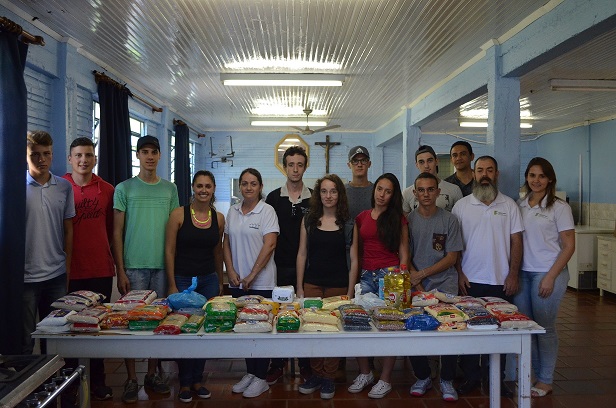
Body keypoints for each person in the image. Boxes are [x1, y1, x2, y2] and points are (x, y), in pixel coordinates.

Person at [113, 135, 179, 403]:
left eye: (154, 152)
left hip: (162, 266)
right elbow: (116, 232)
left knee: (158, 322)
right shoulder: (124, 188)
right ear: (138, 155)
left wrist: (173, 272)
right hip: (134, 267)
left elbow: (174, 231)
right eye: (145, 152)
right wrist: (120, 270)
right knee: (131, 323)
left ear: (160, 155)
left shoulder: (170, 189)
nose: (150, 156)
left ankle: (152, 374)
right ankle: (131, 378)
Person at [451, 155, 523, 397]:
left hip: (501, 281)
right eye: (480, 170)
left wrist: (513, 274)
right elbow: (455, 244)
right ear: (474, 174)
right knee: (470, 331)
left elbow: (516, 242)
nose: (484, 175)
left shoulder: (509, 205)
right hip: (469, 281)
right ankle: (471, 377)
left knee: (499, 334)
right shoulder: (462, 206)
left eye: (489, 170)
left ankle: (496, 380)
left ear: (496, 174)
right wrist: (459, 273)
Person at [513, 157, 575, 398]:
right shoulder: (520, 205)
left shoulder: (559, 207)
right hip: (523, 273)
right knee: (528, 328)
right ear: (527, 177)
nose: (536, 180)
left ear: (549, 179)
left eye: (541, 176)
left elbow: (569, 246)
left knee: (545, 328)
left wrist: (550, 277)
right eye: (532, 175)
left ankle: (546, 380)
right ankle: (533, 376)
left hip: (548, 272)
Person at [165, 170, 225, 403]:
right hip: (182, 280)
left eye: (208, 186)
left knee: (203, 331)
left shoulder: (219, 218)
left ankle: (198, 379)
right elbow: (169, 251)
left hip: (208, 280)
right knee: (185, 331)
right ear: (193, 187)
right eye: (199, 186)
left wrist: (219, 281)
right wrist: (172, 283)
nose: (203, 190)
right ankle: (184, 382)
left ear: (213, 189)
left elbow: (217, 252)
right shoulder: (178, 215)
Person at [62, 137, 114, 400]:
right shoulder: (61, 187)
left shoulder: (107, 189)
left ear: (95, 159)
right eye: (79, 155)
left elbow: (111, 230)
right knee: (69, 329)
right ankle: (70, 383)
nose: (84, 160)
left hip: (100, 269)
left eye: (89, 155)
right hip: (69, 271)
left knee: (98, 327)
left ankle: (98, 380)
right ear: (70, 159)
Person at [348, 173, 409, 399]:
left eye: (388, 191)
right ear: (374, 190)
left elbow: (404, 251)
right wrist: (350, 289)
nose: (382, 195)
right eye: (379, 189)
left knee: (390, 327)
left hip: (390, 276)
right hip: (366, 276)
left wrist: (402, 280)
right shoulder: (361, 217)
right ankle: (365, 373)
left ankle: (385, 379)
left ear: (393, 195)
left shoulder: (398, 219)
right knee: (358, 324)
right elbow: (356, 255)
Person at [406, 172, 463, 402]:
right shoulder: (408, 221)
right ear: (415, 193)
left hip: (445, 284)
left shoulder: (449, 220)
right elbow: (405, 255)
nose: (426, 194)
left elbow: (451, 257)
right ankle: (423, 377)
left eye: (431, 189)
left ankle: (447, 379)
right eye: (421, 190)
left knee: (449, 331)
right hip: (416, 286)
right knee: (413, 330)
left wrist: (423, 274)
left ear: (438, 192)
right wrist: (417, 281)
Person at [223, 168, 279, 398]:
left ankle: (261, 378)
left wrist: (252, 275)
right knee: (244, 329)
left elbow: (270, 245)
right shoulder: (233, 211)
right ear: (240, 187)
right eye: (244, 183)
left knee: (262, 329)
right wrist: (231, 271)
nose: (248, 187)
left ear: (260, 186)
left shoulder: (267, 211)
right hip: (238, 282)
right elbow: (226, 243)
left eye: (253, 183)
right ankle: (251, 372)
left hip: (262, 282)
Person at [296, 174, 352, 399]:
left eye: (333, 191)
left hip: (338, 286)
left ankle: (329, 377)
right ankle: (316, 374)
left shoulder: (348, 223)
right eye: (324, 191)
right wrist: (300, 287)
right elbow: (302, 253)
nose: (328, 196)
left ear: (340, 195)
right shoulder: (309, 220)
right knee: (312, 330)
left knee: (333, 332)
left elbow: (354, 259)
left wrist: (350, 291)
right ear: (318, 195)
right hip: (312, 284)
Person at [24, 131, 75, 355]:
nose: (41, 159)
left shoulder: (64, 187)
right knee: (25, 339)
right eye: (35, 154)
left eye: (46, 154)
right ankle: (26, 378)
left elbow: (68, 229)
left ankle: (54, 377)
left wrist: (67, 266)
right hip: (25, 277)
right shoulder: (14, 186)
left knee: (55, 339)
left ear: (53, 155)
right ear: (26, 156)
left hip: (56, 274)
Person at [265, 146, 312, 384]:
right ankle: (277, 363)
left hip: (308, 268)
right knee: (279, 314)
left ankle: (306, 364)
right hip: (279, 267)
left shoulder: (314, 198)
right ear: (284, 167)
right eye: (291, 165)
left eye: (299, 165)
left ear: (305, 167)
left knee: (304, 314)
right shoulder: (273, 198)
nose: (295, 169)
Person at [402, 145, 462, 214]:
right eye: (421, 162)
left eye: (430, 161)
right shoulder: (407, 193)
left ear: (436, 161)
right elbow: (405, 219)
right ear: (417, 165)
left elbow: (460, 217)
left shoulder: (454, 190)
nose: (426, 166)